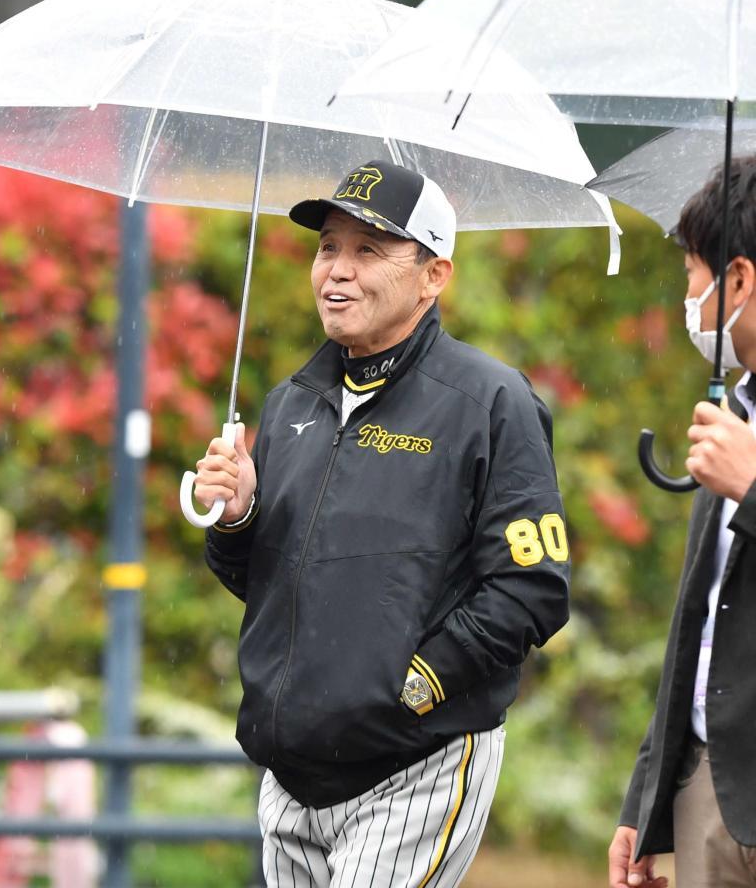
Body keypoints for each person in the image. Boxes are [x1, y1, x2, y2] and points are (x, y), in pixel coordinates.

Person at [195, 160, 571, 887]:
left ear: (434, 276)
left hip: (415, 766)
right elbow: (266, 583)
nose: (338, 270)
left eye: (369, 250)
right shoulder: (290, 403)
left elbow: (532, 590)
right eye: (328, 247)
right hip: (290, 775)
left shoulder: (492, 402)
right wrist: (236, 518)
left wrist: (413, 686)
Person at [608, 155, 756, 888]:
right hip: (712, 794)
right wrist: (649, 795)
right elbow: (698, 625)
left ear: (740, 281)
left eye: (694, 273)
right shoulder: (734, 416)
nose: (687, 297)